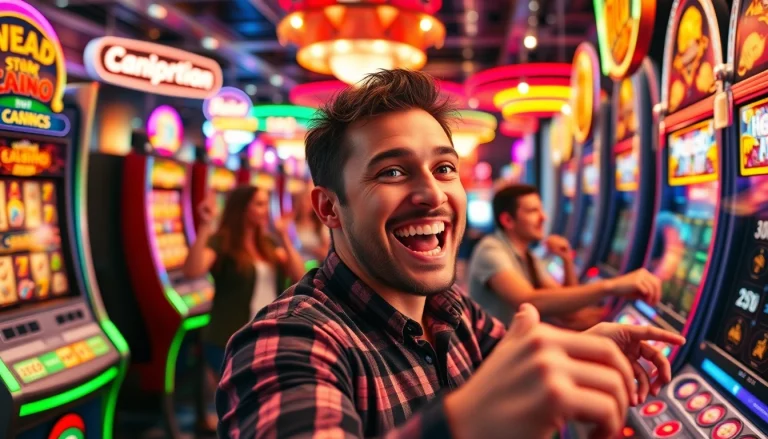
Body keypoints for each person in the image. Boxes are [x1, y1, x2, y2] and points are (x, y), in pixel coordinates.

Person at [216, 69, 685, 439]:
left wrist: (584, 352)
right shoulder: (285, 344)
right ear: (330, 207)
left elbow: (528, 367)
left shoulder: (456, 313)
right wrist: (460, 426)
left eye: (444, 168)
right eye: (393, 172)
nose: (431, 193)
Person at [468, 184, 661, 328]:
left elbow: (568, 309)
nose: (544, 217)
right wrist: (611, 286)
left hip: (520, 351)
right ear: (508, 220)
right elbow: (531, 300)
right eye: (533, 211)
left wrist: (567, 260)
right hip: (495, 359)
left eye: (541, 209)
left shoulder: (527, 255)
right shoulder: (490, 250)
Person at [183, 185, 305, 374]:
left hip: (267, 334)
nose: (266, 210)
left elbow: (298, 274)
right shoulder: (223, 242)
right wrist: (205, 224)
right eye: (259, 204)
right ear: (242, 207)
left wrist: (284, 235)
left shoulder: (267, 244)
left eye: (266, 204)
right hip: (230, 337)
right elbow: (193, 270)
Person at [292, 182, 331, 265]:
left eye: (307, 199)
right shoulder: (290, 224)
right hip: (294, 267)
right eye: (301, 199)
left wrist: (314, 250)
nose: (303, 203)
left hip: (314, 267)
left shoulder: (321, 225)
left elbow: (327, 254)